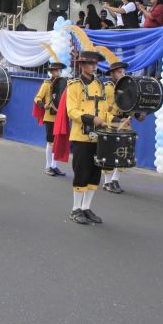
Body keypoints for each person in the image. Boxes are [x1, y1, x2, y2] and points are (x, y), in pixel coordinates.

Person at [65, 43, 109, 225]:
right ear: (82, 65)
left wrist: (115, 118)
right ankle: (76, 209)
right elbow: (72, 111)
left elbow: (105, 110)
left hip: (98, 136)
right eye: (90, 63)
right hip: (81, 136)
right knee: (81, 172)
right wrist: (92, 119)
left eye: (95, 63)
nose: (93, 66)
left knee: (94, 173)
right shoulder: (74, 85)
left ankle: (86, 207)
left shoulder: (101, 85)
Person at [101, 54, 146, 193]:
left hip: (125, 121)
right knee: (109, 152)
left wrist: (138, 115)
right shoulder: (107, 87)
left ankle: (115, 180)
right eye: (120, 72)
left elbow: (129, 106)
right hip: (112, 121)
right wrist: (114, 118)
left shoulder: (127, 87)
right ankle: (107, 182)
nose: (123, 74)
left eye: (123, 72)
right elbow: (104, 107)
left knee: (123, 152)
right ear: (112, 73)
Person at [33, 58, 67, 176]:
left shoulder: (64, 83)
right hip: (49, 117)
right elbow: (37, 98)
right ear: (51, 72)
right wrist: (44, 105)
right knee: (51, 142)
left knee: (58, 142)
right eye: (55, 70)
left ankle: (54, 165)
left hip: (60, 117)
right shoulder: (47, 84)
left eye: (58, 70)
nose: (57, 72)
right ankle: (48, 166)